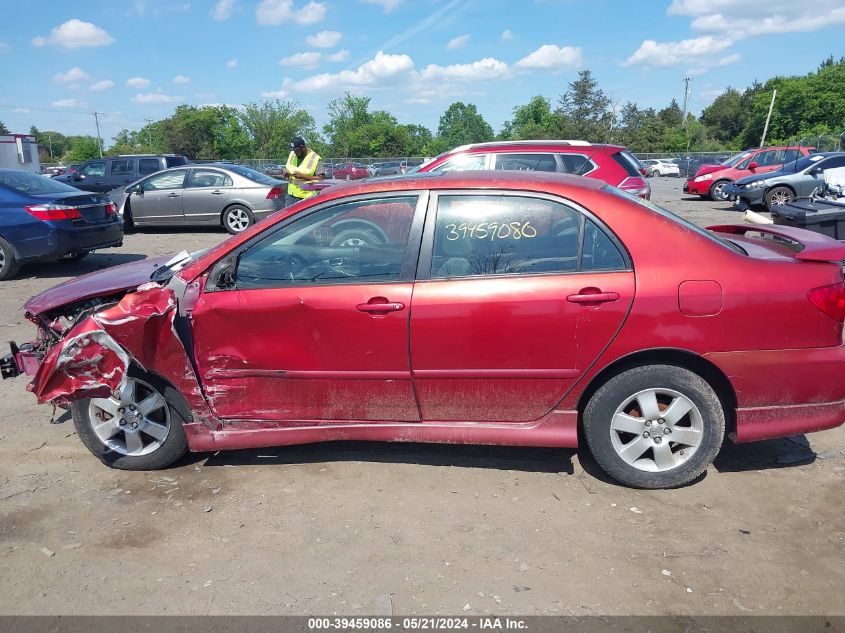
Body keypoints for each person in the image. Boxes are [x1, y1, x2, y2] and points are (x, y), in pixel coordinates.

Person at [282, 137, 325, 207]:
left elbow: (321, 178)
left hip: (306, 197)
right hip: (291, 195)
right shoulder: (293, 154)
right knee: (288, 217)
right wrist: (286, 173)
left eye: (296, 150)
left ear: (303, 148)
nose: (294, 152)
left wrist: (303, 176)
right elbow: (290, 168)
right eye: (293, 150)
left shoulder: (315, 158)